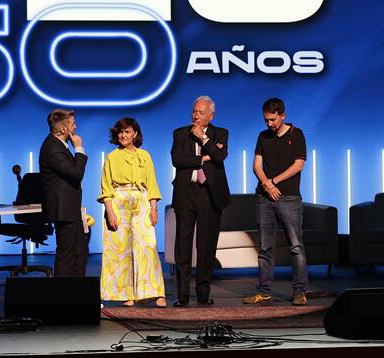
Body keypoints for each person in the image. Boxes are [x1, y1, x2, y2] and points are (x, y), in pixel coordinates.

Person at [245, 97, 309, 306]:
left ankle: (300, 291)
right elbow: (257, 166)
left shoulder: (296, 134)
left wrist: (274, 182)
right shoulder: (263, 136)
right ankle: (264, 291)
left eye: (272, 120)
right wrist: (267, 185)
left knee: (296, 246)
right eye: (266, 120)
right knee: (265, 248)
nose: (269, 124)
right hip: (264, 199)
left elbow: (298, 164)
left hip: (289, 197)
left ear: (283, 115)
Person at [99, 118, 166, 307]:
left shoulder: (145, 156)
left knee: (147, 247)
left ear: (135, 133)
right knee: (119, 250)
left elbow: (152, 184)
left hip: (141, 201)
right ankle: (125, 294)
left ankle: (155, 293)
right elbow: (106, 187)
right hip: (118, 202)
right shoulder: (112, 157)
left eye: (127, 131)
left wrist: (153, 208)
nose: (123, 135)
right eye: (120, 132)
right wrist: (109, 211)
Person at [170, 96, 231, 306]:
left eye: (201, 112)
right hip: (186, 193)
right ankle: (183, 294)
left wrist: (204, 140)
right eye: (194, 111)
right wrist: (205, 157)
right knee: (183, 245)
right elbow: (177, 160)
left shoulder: (220, 133)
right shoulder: (180, 133)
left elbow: (220, 156)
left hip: (209, 194)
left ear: (211, 115)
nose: (196, 115)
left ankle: (203, 292)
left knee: (206, 246)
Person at [39, 109, 89, 277]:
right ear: (63, 129)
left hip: (69, 209)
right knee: (67, 254)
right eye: (72, 124)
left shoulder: (59, 146)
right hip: (63, 210)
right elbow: (76, 174)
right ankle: (64, 296)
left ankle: (78, 294)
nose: (76, 126)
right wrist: (79, 148)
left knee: (79, 251)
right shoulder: (52, 148)